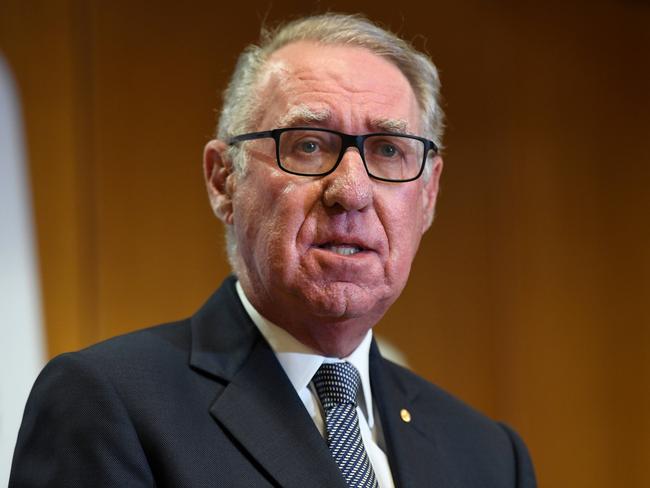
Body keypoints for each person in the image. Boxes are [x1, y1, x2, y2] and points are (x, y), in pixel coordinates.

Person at [10, 13, 536, 487]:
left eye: (389, 151)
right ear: (223, 181)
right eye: (309, 144)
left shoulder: (489, 456)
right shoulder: (108, 405)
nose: (351, 191)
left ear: (428, 196)